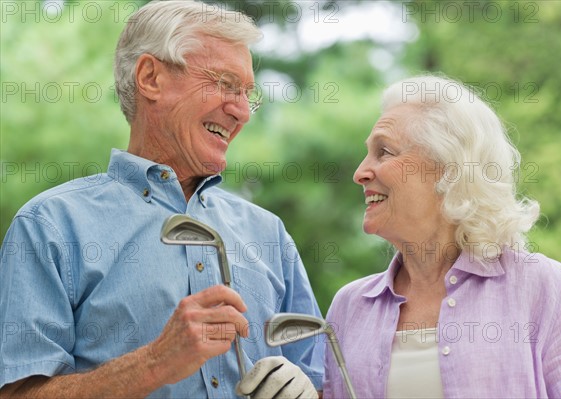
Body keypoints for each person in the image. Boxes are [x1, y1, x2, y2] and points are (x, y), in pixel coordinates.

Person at [0, 1, 323, 397]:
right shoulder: (49, 225)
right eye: (224, 83)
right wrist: (154, 363)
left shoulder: (269, 233)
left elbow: (325, 379)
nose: (242, 112)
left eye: (247, 93)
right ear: (151, 78)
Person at [323, 75, 561, 398]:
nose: (360, 172)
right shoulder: (349, 306)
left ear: (448, 168)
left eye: (384, 152)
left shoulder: (540, 284)